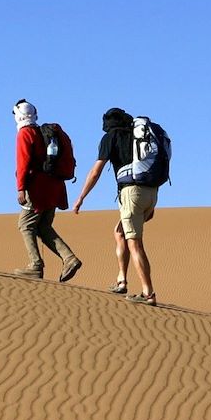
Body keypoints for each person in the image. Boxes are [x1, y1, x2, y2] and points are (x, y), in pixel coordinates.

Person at [72, 108, 159, 306]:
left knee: (134, 242)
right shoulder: (139, 136)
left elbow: (96, 171)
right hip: (151, 192)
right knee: (120, 232)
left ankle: (148, 293)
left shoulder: (110, 137)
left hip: (131, 193)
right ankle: (122, 280)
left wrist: (81, 197)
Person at [12, 99, 82, 281]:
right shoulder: (44, 134)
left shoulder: (25, 134)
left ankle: (35, 265)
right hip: (55, 187)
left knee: (25, 225)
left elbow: (23, 163)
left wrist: (21, 188)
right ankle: (69, 258)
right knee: (43, 227)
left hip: (37, 188)